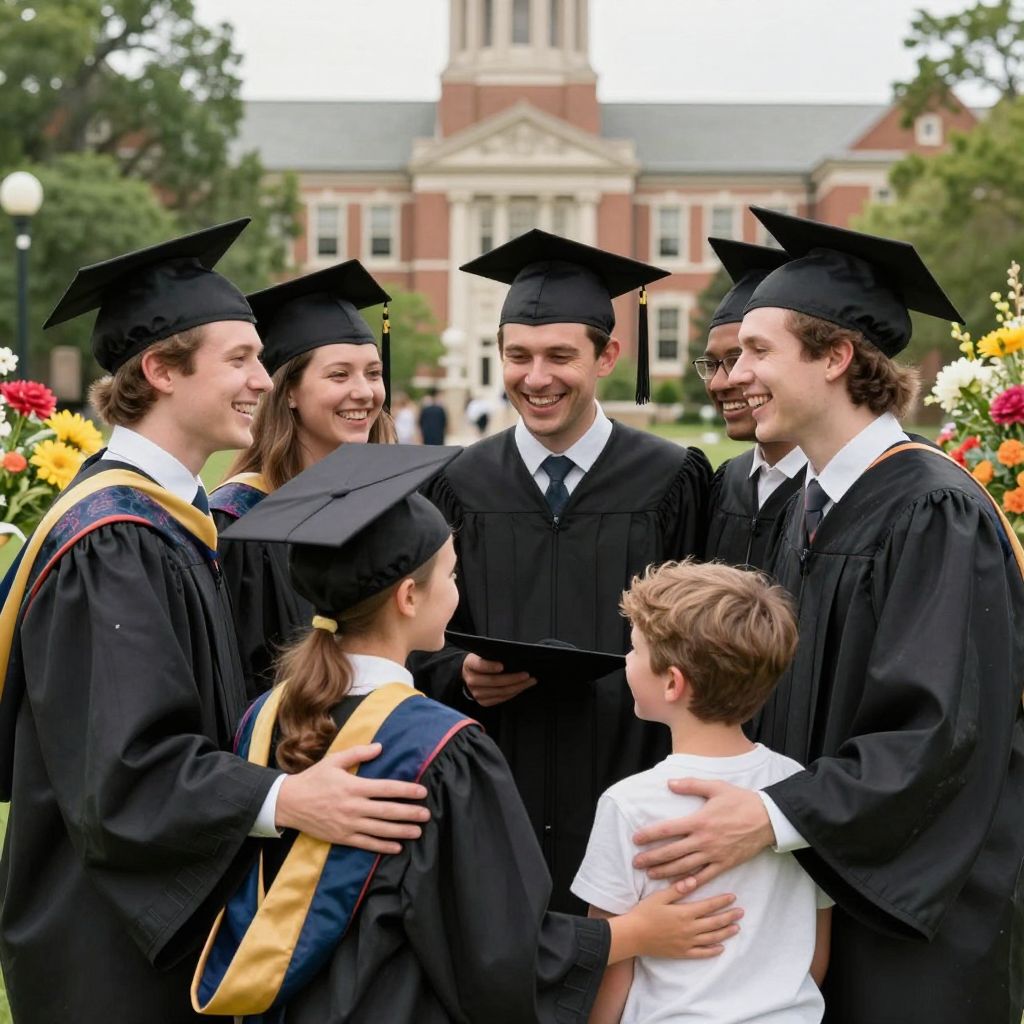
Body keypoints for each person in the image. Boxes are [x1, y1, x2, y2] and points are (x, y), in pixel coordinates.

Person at [0, 224, 430, 1024]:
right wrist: (289, 798)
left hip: (154, 929)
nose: (265, 382)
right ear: (161, 369)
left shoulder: (168, 521)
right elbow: (127, 771)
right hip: (105, 953)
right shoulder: (113, 539)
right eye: (240, 360)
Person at [192, 444, 745, 1024]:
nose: (458, 593)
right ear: (409, 597)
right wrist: (631, 934)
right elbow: (498, 950)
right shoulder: (442, 748)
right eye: (451, 575)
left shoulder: (266, 716)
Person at [631, 208, 1024, 1023]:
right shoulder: (809, 504)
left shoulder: (932, 510)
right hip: (811, 887)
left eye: (758, 352)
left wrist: (774, 813)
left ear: (837, 357)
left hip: (910, 912)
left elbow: (937, 729)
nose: (735, 374)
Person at [416, 229, 711, 910]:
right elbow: (409, 640)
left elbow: (706, 642)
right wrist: (457, 675)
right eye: (517, 356)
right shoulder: (459, 483)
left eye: (559, 356)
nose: (535, 377)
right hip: (492, 788)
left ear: (608, 354)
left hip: (635, 788)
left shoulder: (671, 480)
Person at [573, 560, 831, 1024]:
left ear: (672, 682)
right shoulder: (796, 789)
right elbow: (816, 944)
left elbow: (610, 958)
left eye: (633, 649)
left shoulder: (629, 804)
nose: (626, 660)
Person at [211, 261, 395, 695]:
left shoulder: (390, 503)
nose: (364, 392)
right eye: (339, 374)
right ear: (288, 391)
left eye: (373, 373)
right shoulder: (241, 521)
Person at [699, 238, 806, 569]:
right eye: (710, 364)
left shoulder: (838, 490)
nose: (720, 382)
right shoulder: (725, 482)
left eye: (743, 356)